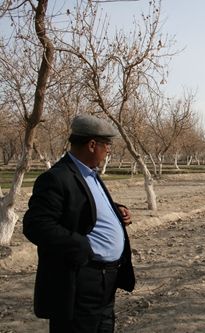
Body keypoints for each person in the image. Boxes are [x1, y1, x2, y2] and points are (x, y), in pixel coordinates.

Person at [23, 114, 135, 333]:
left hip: (107, 280)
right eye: (107, 145)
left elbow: (85, 205)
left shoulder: (90, 174)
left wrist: (116, 210)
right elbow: (36, 224)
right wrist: (81, 246)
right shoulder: (57, 177)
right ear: (92, 145)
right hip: (80, 279)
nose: (109, 151)